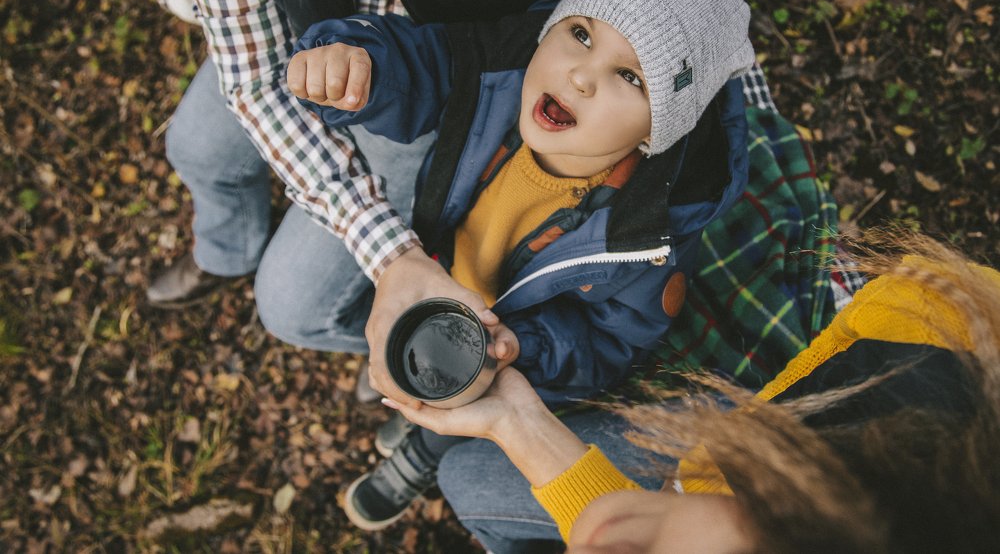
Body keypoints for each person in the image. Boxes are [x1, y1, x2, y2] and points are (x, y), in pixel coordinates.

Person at [138, 0, 693, 403]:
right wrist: (387, 248)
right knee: (196, 148)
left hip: (448, 87)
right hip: (315, 37)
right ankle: (226, 250)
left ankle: (416, 340)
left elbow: (676, 19)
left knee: (291, 306)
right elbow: (254, 75)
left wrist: (396, 265)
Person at [286, 0, 755, 529]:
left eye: (630, 77)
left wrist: (522, 348)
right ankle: (414, 407)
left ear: (654, 134)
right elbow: (420, 67)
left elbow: (609, 346)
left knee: (461, 412)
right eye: (581, 34)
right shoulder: (496, 77)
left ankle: (423, 454)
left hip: (513, 355)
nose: (581, 76)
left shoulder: (646, 239)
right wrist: (357, 66)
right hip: (439, 278)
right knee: (417, 367)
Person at [389, 230, 1000, 552]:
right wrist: (516, 421)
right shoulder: (925, 324)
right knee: (467, 478)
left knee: (466, 481)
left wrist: (514, 422)